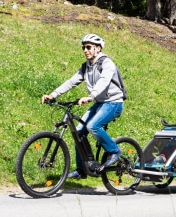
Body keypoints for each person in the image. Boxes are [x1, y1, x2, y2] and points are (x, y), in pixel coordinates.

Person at [42, 34, 125, 178]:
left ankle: (114, 151)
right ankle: (83, 169)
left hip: (113, 102)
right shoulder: (86, 67)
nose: (85, 50)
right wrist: (53, 95)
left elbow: (104, 81)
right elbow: (71, 81)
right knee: (79, 131)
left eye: (88, 47)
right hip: (100, 103)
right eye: (84, 48)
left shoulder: (106, 63)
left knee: (92, 126)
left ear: (97, 48)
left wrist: (90, 96)